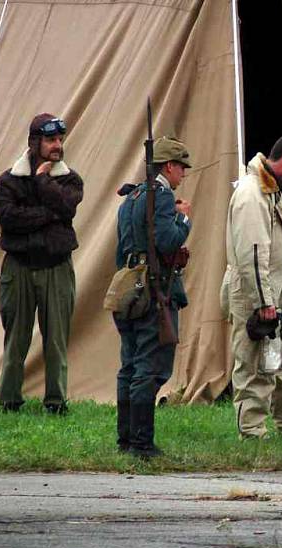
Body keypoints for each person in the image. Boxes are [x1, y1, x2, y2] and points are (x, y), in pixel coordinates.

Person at [222, 134, 282, 438]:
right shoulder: (253, 194)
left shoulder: (269, 190)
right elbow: (253, 252)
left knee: (280, 361)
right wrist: (263, 303)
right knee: (253, 364)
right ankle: (250, 431)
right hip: (253, 291)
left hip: (269, 289)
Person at [0, 113, 84, 414]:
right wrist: (48, 215)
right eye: (50, 140)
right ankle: (9, 401)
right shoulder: (8, 181)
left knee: (56, 338)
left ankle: (56, 402)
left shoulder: (70, 180)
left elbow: (67, 206)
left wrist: (44, 181)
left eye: (60, 139)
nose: (57, 145)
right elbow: (9, 219)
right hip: (17, 267)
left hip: (56, 267)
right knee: (16, 338)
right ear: (35, 142)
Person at [114, 136, 192, 458]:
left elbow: (123, 248)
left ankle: (126, 439)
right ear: (169, 166)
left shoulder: (132, 197)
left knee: (129, 365)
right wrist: (183, 218)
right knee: (150, 366)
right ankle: (142, 444)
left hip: (130, 285)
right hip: (154, 289)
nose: (183, 175)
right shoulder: (161, 197)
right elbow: (168, 241)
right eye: (181, 168)